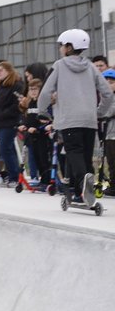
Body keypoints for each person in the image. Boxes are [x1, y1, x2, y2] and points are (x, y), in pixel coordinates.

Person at [38, 29, 115, 203]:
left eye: (62, 45)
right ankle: (82, 193)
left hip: (69, 120)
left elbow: (45, 92)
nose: (60, 49)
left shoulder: (59, 65)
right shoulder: (91, 67)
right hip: (89, 120)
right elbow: (108, 94)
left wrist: (42, 111)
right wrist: (99, 113)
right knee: (86, 156)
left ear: (69, 47)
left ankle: (82, 182)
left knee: (74, 153)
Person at [0, 61, 24, 186]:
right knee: (7, 149)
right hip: (0, 122)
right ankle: (13, 175)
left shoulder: (16, 85)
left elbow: (16, 105)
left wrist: (3, 114)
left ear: (9, 71)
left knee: (5, 149)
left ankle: (14, 177)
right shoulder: (1, 86)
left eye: (1, 71)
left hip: (9, 122)